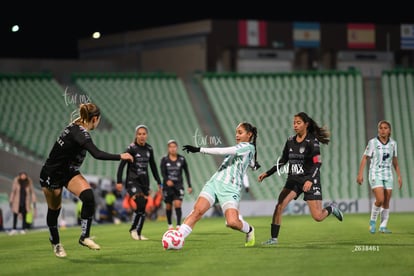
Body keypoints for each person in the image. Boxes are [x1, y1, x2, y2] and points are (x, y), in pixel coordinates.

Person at [39, 103, 133, 258]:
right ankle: (55, 242)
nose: (98, 123)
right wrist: (121, 156)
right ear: (94, 119)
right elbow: (97, 154)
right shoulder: (81, 134)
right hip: (52, 173)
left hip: (68, 171)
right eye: (99, 120)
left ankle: (84, 237)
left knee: (88, 197)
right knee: (54, 209)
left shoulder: (77, 125)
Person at [258, 112, 343, 246]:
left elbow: (317, 163)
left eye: (298, 123)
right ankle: (273, 239)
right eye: (294, 123)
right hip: (294, 180)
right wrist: (268, 173)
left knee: (318, 217)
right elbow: (283, 160)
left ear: (306, 124)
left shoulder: (312, 142)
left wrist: (309, 179)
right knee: (279, 205)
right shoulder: (290, 140)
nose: (295, 125)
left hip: (310, 180)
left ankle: (331, 209)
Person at [179, 122, 260, 247]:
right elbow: (251, 162)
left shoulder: (248, 147)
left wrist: (199, 149)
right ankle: (178, 238)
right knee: (197, 211)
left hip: (230, 189)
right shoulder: (244, 149)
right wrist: (253, 165)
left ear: (249, 135)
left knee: (232, 222)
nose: (236, 135)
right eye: (236, 132)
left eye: (240, 132)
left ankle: (249, 230)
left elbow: (223, 150)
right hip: (214, 183)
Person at [116, 125, 162, 241]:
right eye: (139, 134)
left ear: (147, 135)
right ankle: (133, 229)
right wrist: (119, 181)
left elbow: (153, 165)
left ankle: (139, 233)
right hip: (132, 181)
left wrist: (159, 181)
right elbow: (122, 165)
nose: (142, 136)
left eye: (144, 134)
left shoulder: (149, 149)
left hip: (144, 182)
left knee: (143, 206)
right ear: (136, 135)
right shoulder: (131, 148)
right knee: (140, 202)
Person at [356, 120, 402, 234]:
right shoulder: (372, 142)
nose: (383, 130)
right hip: (375, 173)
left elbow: (395, 161)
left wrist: (399, 176)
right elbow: (365, 158)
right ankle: (372, 222)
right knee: (380, 199)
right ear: (378, 130)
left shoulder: (393, 144)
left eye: (385, 128)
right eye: (381, 128)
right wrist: (360, 174)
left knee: (386, 200)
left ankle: (383, 226)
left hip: (388, 173)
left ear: (389, 130)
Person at [160, 139, 193, 230]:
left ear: (177, 148)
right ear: (168, 148)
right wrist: (167, 180)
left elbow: (186, 172)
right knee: (168, 205)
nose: (172, 149)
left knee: (178, 204)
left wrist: (189, 185)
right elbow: (162, 172)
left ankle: (178, 225)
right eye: (170, 147)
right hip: (167, 186)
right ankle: (170, 225)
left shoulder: (181, 159)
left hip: (178, 186)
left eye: (174, 147)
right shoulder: (164, 159)